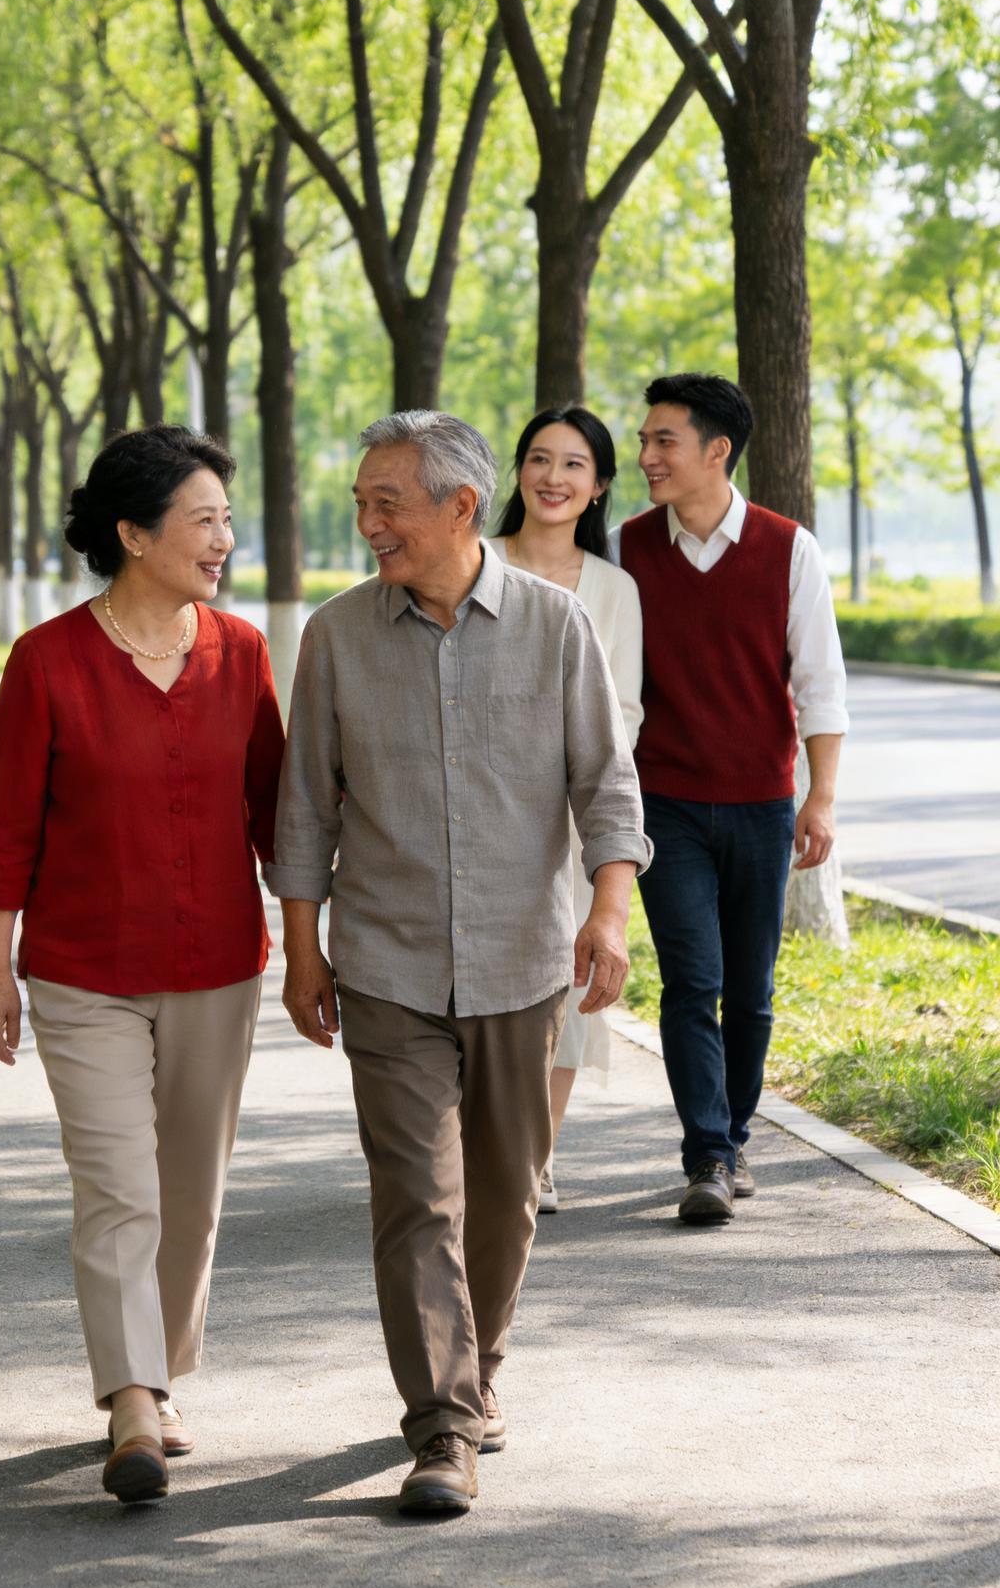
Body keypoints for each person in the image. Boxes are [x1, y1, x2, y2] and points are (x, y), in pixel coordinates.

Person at [268, 411, 649, 1519]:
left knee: (505, 1195)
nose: (367, 523)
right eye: (360, 502)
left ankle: (479, 1370)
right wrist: (301, 950)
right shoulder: (336, 635)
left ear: (460, 507)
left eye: (386, 502)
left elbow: (605, 786)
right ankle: (440, 1422)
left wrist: (608, 913)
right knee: (415, 1198)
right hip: (385, 962)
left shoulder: (555, 625)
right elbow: (305, 809)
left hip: (522, 958)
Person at [0, 426, 284, 1503]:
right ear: (134, 534)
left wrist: (309, 946)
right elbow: (7, 828)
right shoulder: (46, 659)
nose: (224, 540)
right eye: (204, 521)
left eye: (227, 520)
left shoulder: (242, 652)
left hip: (218, 965)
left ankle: (163, 1369)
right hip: (83, 969)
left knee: (190, 1190)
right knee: (117, 1184)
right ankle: (132, 1402)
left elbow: (277, 814)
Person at [614, 374, 848, 1225]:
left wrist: (821, 798)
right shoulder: (626, 548)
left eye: (663, 441)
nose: (646, 456)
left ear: (717, 450)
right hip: (664, 802)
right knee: (691, 979)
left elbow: (820, 683)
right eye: (645, 440)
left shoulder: (789, 549)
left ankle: (735, 1135)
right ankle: (708, 1154)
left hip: (760, 803)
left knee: (750, 991)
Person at [486, 404, 643, 1211]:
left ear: (600, 485)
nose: (553, 477)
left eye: (574, 464)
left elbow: (626, 713)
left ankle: (535, 1159)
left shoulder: (615, 589)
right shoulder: (475, 560)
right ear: (518, 472)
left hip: (574, 822)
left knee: (565, 983)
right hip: (478, 810)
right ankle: (476, 1151)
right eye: (539, 459)